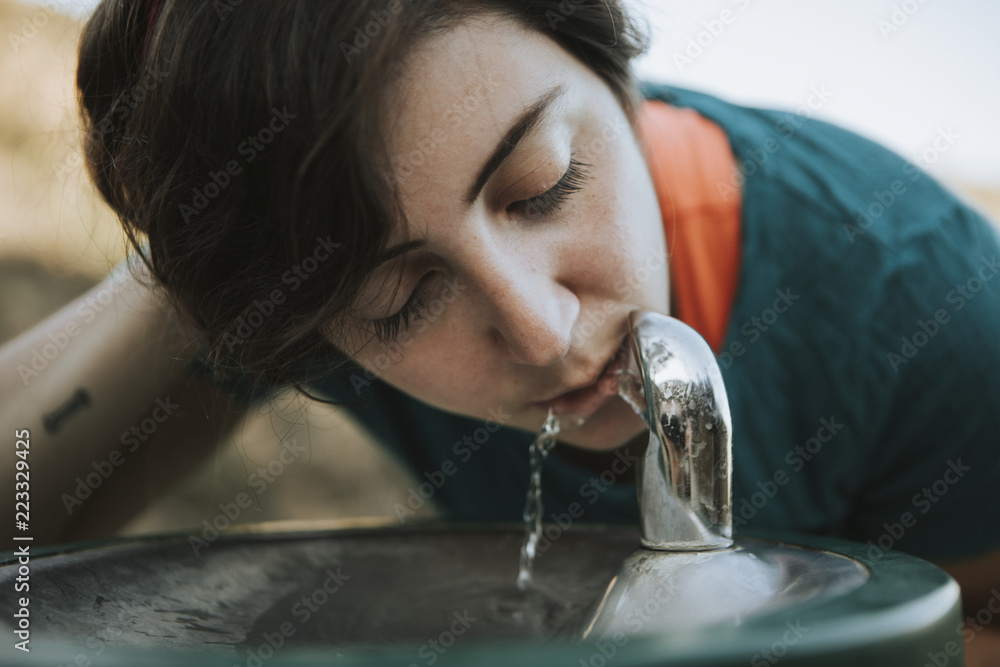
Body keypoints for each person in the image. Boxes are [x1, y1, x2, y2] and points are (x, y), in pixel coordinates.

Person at [2, 0, 999, 661]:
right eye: (401, 299)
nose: (539, 327)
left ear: (617, 80)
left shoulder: (930, 312)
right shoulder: (301, 287)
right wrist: (201, 255)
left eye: (544, 186)